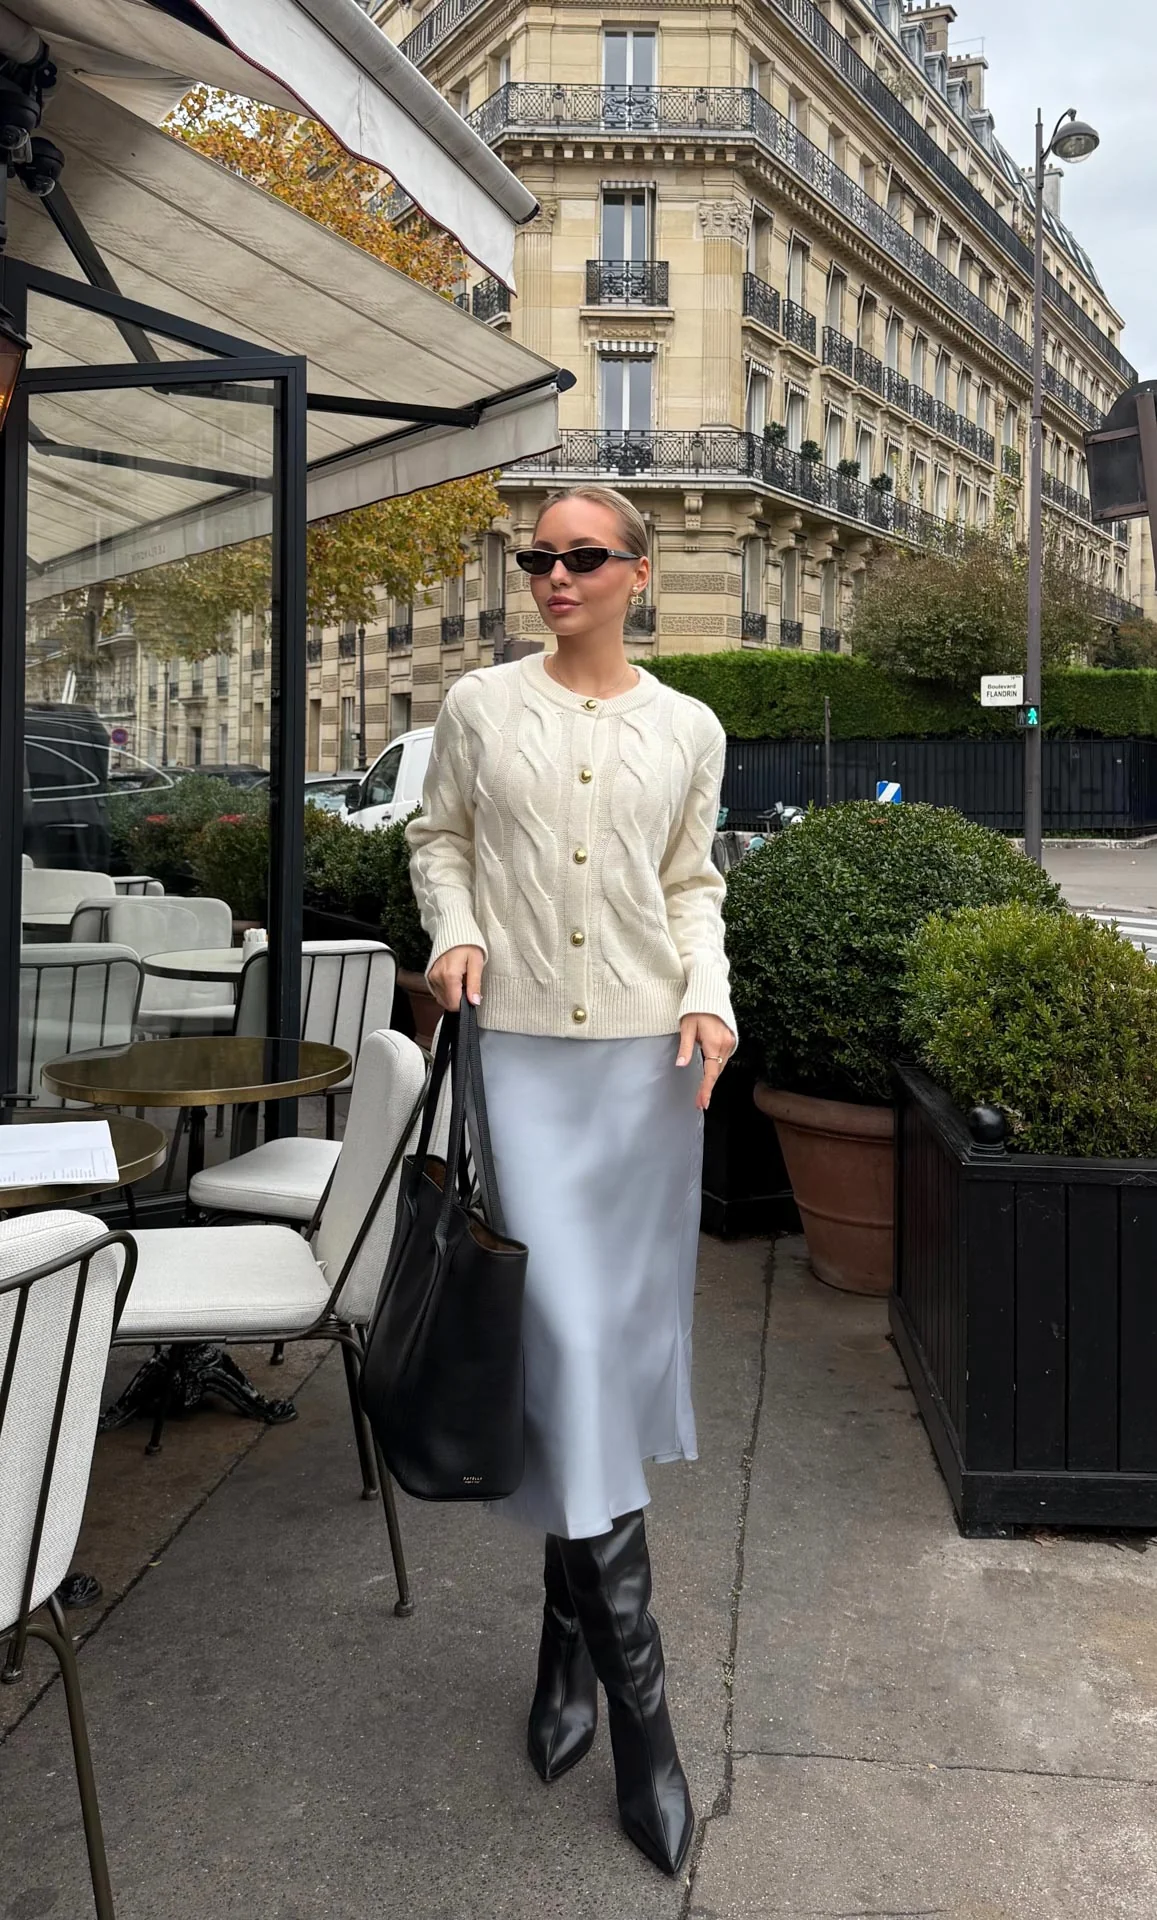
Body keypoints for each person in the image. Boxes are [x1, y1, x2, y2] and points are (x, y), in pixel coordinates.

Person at [406, 483, 736, 1878]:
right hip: (526, 1067)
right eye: (537, 557)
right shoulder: (482, 708)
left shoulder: (690, 727)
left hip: (649, 1078)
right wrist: (456, 931)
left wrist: (711, 994)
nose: (554, 575)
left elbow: (692, 883)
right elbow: (439, 838)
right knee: (570, 1346)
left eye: (582, 557)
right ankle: (649, 1730)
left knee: (587, 1365)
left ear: (635, 575)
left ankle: (565, 1644)